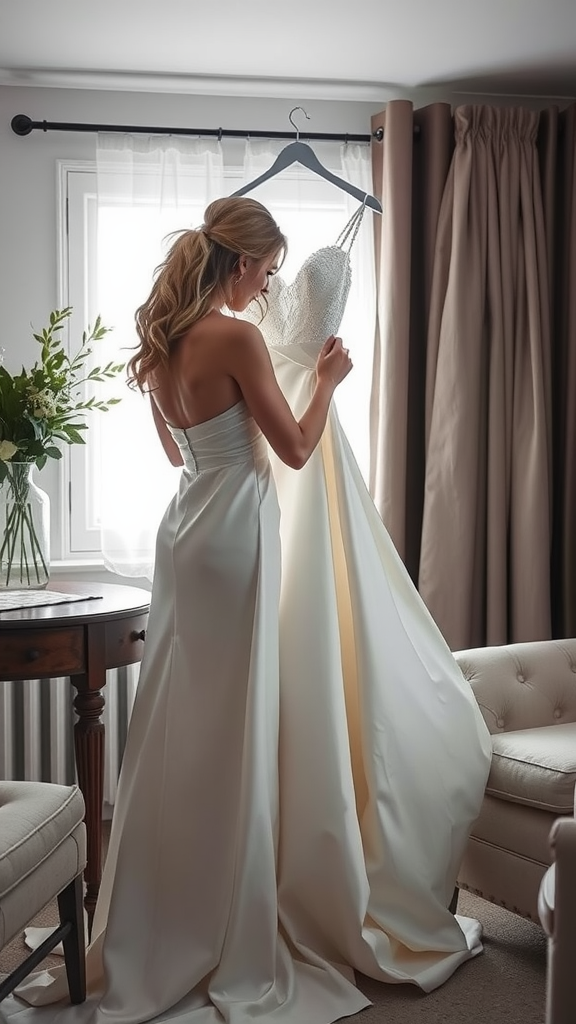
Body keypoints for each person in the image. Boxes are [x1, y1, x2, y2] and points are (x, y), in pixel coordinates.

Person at [11, 195, 492, 1024]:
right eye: (265, 274)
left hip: (186, 531)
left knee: (186, 717)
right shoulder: (232, 337)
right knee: (238, 720)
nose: (264, 289)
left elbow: (178, 449)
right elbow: (296, 450)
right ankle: (227, 910)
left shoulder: (160, 344)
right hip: (235, 534)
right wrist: (331, 381)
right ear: (239, 264)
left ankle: (170, 900)